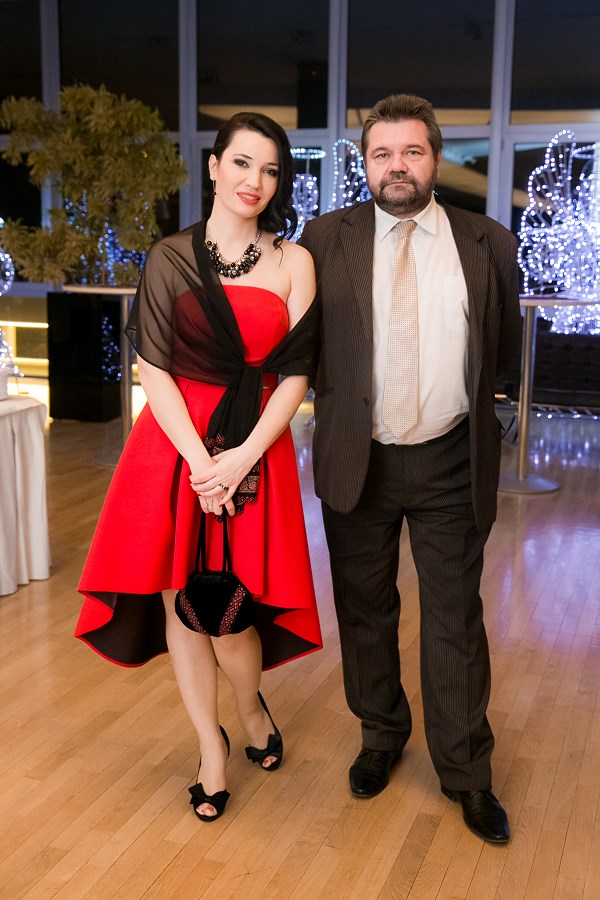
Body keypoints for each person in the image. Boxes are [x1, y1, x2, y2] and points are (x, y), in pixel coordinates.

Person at [76, 111, 322, 823]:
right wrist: (199, 463)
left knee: (230, 614)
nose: (255, 181)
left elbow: (298, 376)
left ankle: (249, 707)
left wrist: (241, 457)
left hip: (256, 447)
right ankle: (210, 748)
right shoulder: (169, 257)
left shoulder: (294, 262)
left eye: (270, 169)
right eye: (242, 163)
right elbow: (153, 368)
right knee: (180, 602)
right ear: (214, 167)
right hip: (173, 447)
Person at [299, 94, 521, 844]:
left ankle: (466, 772)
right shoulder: (323, 240)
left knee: (455, 618)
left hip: (450, 458)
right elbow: (303, 347)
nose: (397, 166)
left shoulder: (488, 242)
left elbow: (501, 350)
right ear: (365, 163)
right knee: (364, 608)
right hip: (357, 457)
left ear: (436, 159)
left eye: (412, 152)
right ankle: (381, 735)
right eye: (382, 154)